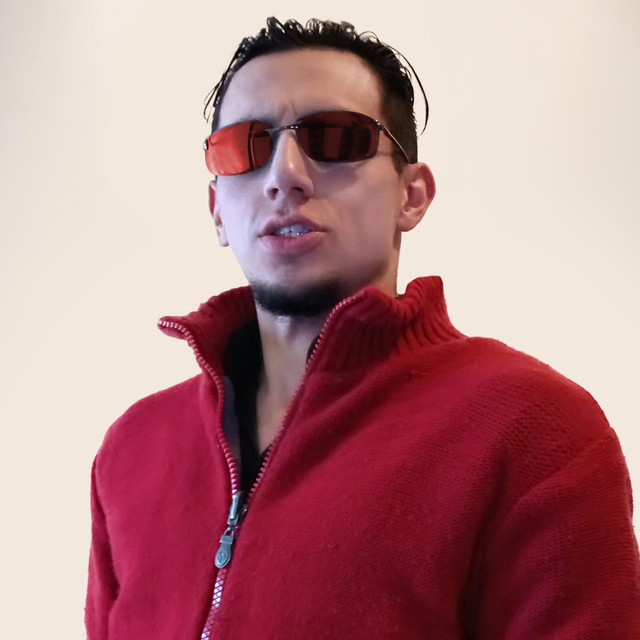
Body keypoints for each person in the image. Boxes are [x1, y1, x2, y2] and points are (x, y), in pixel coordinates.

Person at [85, 17, 640, 640]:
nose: (284, 174)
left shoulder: (534, 428)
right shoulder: (133, 449)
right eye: (246, 146)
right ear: (217, 210)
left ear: (412, 195)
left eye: (335, 138)